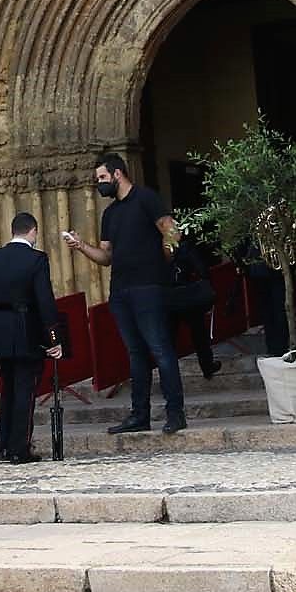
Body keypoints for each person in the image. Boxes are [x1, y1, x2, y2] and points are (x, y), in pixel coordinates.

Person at [65, 152, 187, 434]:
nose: (100, 184)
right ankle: (139, 415)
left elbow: (172, 230)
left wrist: (166, 259)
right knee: (135, 353)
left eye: (103, 178)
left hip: (149, 287)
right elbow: (106, 255)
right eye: (98, 180)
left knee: (160, 349)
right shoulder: (110, 213)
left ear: (118, 174)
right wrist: (81, 246)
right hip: (120, 291)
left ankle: (175, 413)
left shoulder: (146, 198)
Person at [0, 213, 63, 464]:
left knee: (8, 390)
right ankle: (19, 448)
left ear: (12, 231)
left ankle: (5, 446)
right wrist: (54, 337)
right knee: (25, 390)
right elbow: (45, 300)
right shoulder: (36, 259)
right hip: (26, 329)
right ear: (33, 231)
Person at [169, 232, 221, 380]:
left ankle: (169, 377)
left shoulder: (155, 249)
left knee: (168, 341)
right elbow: (202, 270)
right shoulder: (185, 248)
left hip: (166, 298)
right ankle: (207, 366)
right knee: (199, 335)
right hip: (187, 296)